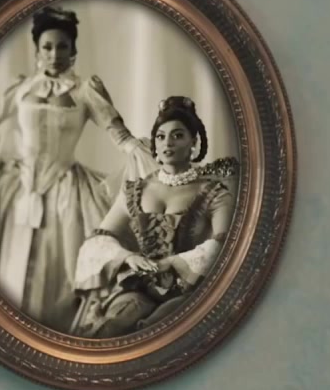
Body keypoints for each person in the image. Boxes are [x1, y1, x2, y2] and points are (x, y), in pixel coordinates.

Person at [0, 6, 157, 332]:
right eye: (48, 47)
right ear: (37, 50)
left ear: (73, 50)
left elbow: (117, 132)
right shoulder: (21, 90)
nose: (54, 54)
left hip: (66, 195)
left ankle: (57, 339)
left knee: (58, 276)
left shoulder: (84, 91)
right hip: (22, 192)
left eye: (62, 46)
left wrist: (139, 151)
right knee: (13, 270)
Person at [70, 95, 238, 338]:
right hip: (141, 286)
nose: (167, 143)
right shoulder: (136, 190)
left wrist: (174, 262)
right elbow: (99, 238)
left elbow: (226, 245)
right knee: (114, 324)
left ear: (193, 142)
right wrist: (128, 257)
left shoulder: (214, 192)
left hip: (191, 289)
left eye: (178, 135)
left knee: (155, 330)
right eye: (161, 136)